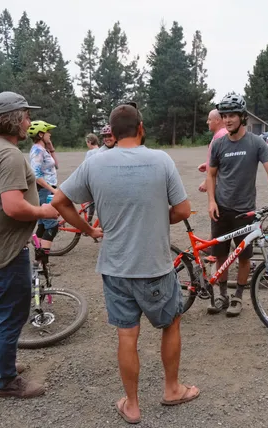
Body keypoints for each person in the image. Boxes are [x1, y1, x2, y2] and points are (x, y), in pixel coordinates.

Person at [51, 103, 197, 425]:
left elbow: (59, 202)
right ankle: (172, 388)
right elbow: (184, 210)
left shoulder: (95, 163)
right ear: (141, 128)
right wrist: (158, 218)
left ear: (112, 134)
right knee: (171, 324)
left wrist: (88, 230)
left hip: (115, 267)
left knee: (127, 336)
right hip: (155, 265)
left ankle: (132, 405)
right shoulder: (161, 160)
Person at [0, 91, 59, 398]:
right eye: (25, 116)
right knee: (10, 315)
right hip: (8, 250)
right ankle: (6, 381)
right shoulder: (8, 155)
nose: (29, 122)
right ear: (13, 120)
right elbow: (13, 206)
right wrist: (43, 211)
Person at [206, 93, 268, 316]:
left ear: (242, 117)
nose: (227, 119)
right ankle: (222, 294)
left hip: (245, 211)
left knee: (244, 256)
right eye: (224, 115)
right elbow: (211, 175)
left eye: (232, 115)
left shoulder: (255, 142)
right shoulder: (219, 144)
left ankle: (238, 296)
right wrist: (212, 201)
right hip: (221, 210)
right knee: (221, 255)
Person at [28, 120, 60, 255]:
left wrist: (50, 147)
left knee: (42, 225)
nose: (50, 134)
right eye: (48, 132)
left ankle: (39, 261)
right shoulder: (37, 150)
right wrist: (52, 190)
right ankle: (42, 261)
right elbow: (36, 175)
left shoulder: (43, 149)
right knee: (52, 225)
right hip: (44, 190)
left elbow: (56, 165)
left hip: (48, 188)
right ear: (41, 134)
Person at [197, 109, 229, 193]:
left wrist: (207, 182)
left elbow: (224, 162)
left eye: (209, 119)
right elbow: (219, 158)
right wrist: (207, 164)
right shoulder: (220, 134)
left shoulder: (221, 135)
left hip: (220, 183)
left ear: (217, 120)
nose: (207, 122)